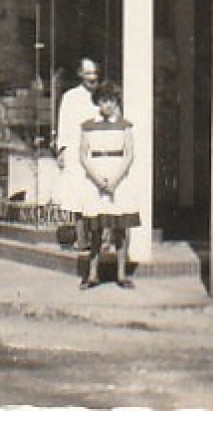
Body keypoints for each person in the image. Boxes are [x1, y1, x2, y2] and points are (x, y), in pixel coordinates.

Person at [78, 81, 140, 290]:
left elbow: (129, 155)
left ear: (116, 102)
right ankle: (92, 274)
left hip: (118, 179)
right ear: (98, 102)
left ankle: (122, 274)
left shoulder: (125, 126)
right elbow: (83, 155)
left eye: (111, 101)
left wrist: (114, 181)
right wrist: (97, 179)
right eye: (104, 101)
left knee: (120, 228)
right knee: (96, 229)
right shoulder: (88, 126)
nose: (107, 105)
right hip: (95, 177)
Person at [55, 58, 102, 250]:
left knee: (96, 196)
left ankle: (97, 239)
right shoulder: (70, 97)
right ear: (80, 74)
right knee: (77, 197)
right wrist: (62, 150)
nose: (92, 78)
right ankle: (81, 238)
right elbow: (64, 125)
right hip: (75, 152)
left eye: (95, 73)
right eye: (88, 73)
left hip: (98, 153)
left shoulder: (102, 98)